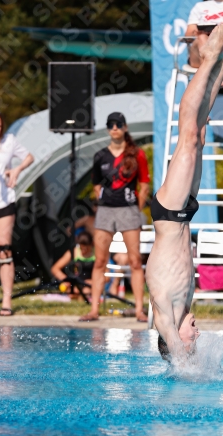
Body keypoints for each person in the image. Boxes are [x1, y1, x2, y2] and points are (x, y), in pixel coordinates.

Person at [145, 22, 223, 360]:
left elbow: (174, 351)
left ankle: (207, 60)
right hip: (184, 213)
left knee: (187, 136)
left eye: (193, 338)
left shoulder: (164, 319)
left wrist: (180, 354)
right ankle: (222, 64)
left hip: (169, 213)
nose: (197, 331)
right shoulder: (185, 304)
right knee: (199, 135)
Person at [79, 112, 150, 322]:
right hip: (106, 210)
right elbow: (96, 184)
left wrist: (136, 207)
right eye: (111, 124)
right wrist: (104, 201)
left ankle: (139, 310)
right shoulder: (100, 156)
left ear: (125, 127)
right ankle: (94, 310)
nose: (115, 127)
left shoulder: (136, 154)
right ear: (108, 129)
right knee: (100, 260)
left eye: (119, 124)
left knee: (135, 261)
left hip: (128, 209)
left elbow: (144, 184)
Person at [0, 109, 34, 316]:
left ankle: (6, 300)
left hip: (4, 202)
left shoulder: (9, 141)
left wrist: (17, 170)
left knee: (4, 250)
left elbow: (29, 157)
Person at [51, 231, 95, 299]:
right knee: (74, 292)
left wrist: (92, 281)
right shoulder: (74, 252)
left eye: (86, 249)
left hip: (90, 285)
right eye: (81, 248)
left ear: (91, 244)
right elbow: (55, 269)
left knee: (86, 292)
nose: (83, 251)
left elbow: (106, 277)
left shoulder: (97, 254)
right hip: (76, 284)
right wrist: (66, 280)